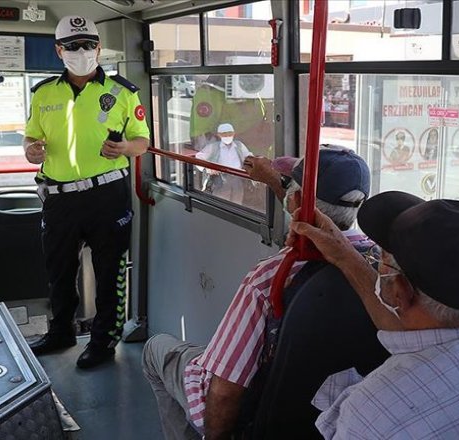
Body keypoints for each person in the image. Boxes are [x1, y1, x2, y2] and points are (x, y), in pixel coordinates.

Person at [142, 147, 373, 440]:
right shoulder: (379, 270)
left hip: (254, 407)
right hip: (321, 409)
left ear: (297, 200)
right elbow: (309, 214)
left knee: (156, 349)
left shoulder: (271, 278)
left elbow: (225, 392)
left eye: (290, 185)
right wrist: (277, 181)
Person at [289, 193, 459, 439]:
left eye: (378, 257)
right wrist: (345, 255)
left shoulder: (373, 414)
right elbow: (423, 331)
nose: (374, 260)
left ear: (400, 291)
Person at [23, 15, 150, 369]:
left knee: (110, 270)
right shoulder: (44, 93)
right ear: (58, 50)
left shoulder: (123, 92)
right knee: (58, 269)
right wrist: (31, 150)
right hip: (59, 196)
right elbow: (31, 136)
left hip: (106, 196)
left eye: (88, 45)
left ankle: (103, 342)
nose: (82, 52)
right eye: (73, 46)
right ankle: (61, 331)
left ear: (98, 47)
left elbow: (142, 141)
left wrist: (124, 148)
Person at [195, 123, 252, 204]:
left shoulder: (239, 145)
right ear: (219, 135)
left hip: (238, 178)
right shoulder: (213, 147)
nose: (228, 136)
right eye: (224, 134)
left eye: (230, 133)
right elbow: (198, 158)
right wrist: (208, 168)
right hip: (220, 180)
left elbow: (249, 157)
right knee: (221, 203)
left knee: (237, 202)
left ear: (234, 133)